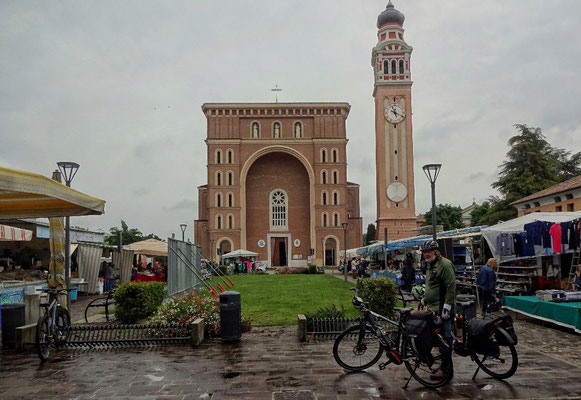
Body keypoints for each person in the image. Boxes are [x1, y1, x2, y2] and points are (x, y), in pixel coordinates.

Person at [421, 240, 456, 379]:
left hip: (443, 309)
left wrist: (447, 306)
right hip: (433, 308)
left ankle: (446, 371)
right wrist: (425, 297)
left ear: (436, 251)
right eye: (424, 252)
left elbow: (451, 286)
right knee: (436, 338)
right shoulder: (430, 265)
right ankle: (443, 366)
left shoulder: (445, 265)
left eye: (428, 251)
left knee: (446, 339)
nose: (426, 254)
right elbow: (432, 285)